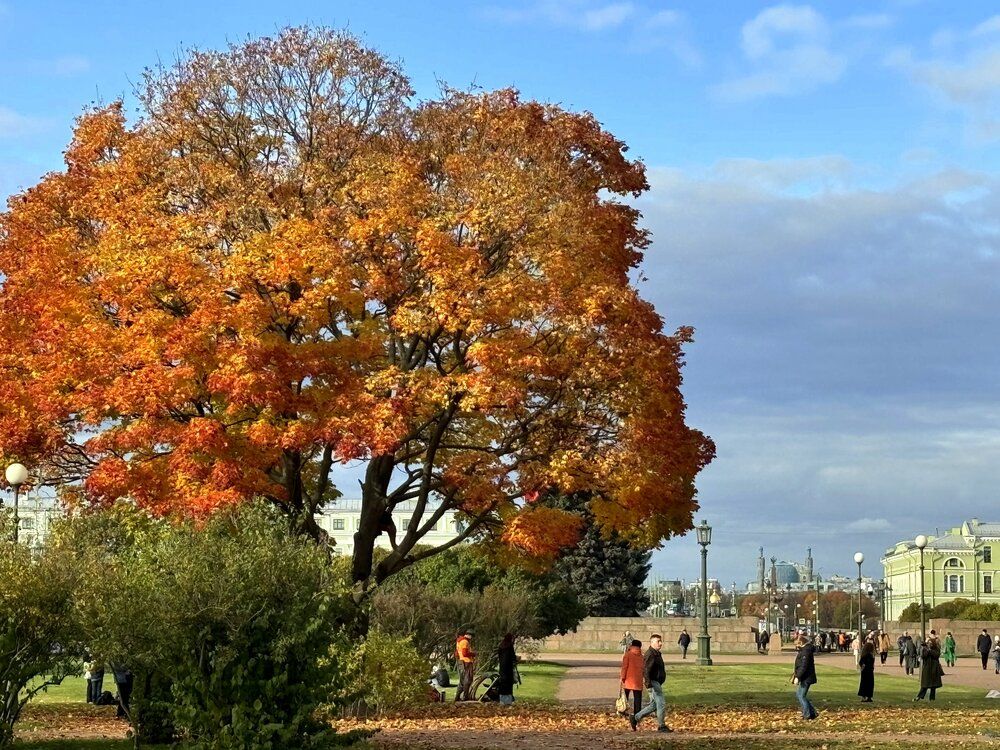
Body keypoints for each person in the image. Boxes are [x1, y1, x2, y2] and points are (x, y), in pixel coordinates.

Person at [630, 634, 671, 733]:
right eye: (658, 641)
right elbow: (646, 670)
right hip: (653, 683)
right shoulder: (650, 654)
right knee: (661, 703)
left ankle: (635, 718)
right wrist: (649, 685)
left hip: (655, 682)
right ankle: (661, 726)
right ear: (652, 642)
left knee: (654, 705)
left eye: (660, 641)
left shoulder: (656, 653)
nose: (660, 643)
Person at [792, 635, 818, 720]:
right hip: (806, 676)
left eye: (797, 644)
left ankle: (808, 714)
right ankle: (812, 712)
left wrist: (798, 677)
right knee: (800, 695)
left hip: (806, 677)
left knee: (801, 695)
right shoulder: (805, 650)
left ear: (800, 643)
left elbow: (804, 666)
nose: (796, 646)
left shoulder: (806, 651)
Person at [620, 639, 644, 718]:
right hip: (638, 679)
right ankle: (637, 713)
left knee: (624, 696)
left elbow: (624, 667)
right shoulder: (641, 656)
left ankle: (623, 710)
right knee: (637, 697)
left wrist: (622, 677)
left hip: (628, 678)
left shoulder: (628, 655)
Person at [915, 634, 943, 701]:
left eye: (930, 642)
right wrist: (927, 649)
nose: (929, 644)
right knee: (925, 685)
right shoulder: (925, 649)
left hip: (934, 668)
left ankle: (932, 698)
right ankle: (919, 696)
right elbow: (923, 656)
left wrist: (930, 650)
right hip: (927, 668)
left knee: (933, 686)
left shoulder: (936, 648)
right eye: (928, 643)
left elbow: (936, 655)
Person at [496, 633, 517, 705]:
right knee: (509, 684)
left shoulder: (501, 645)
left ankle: (502, 700)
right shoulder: (510, 646)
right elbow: (513, 656)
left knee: (503, 683)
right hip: (508, 667)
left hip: (502, 667)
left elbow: (499, 655)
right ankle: (508, 701)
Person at [455, 628, 476, 701]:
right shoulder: (465, 642)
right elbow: (465, 653)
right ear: (469, 635)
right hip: (466, 662)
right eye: (472, 636)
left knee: (462, 680)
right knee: (468, 680)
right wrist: (473, 654)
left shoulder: (459, 641)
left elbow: (457, 653)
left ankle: (457, 697)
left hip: (461, 662)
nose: (472, 638)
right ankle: (465, 697)